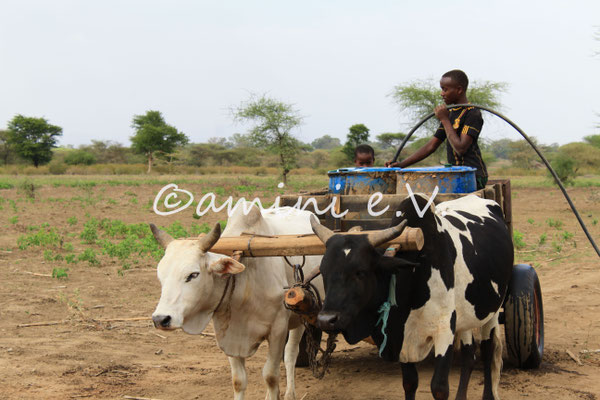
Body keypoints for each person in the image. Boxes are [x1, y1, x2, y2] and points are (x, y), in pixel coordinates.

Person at [385, 70, 488, 190]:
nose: (441, 93)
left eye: (445, 89)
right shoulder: (450, 113)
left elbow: (461, 148)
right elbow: (432, 146)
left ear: (459, 90)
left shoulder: (472, 113)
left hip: (473, 176)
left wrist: (444, 119)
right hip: (455, 175)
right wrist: (401, 165)